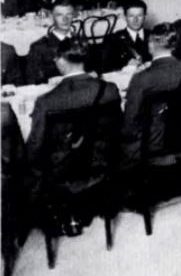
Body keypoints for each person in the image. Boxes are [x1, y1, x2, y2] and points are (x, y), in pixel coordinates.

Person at [24, 40, 122, 226]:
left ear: (61, 62)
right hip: (102, 162)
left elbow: (34, 149)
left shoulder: (46, 101)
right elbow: (118, 128)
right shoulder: (110, 89)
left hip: (62, 170)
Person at [121, 22, 181, 171]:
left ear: (151, 45)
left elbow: (129, 125)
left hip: (152, 146)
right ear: (175, 45)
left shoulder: (142, 78)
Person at [25, 1, 76, 84]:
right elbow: (32, 81)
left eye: (69, 14)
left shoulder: (80, 42)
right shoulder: (39, 47)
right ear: (52, 18)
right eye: (59, 15)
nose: (65, 19)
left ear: (73, 16)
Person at [104, 0, 151, 71]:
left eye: (139, 15)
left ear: (145, 16)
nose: (135, 20)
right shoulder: (113, 39)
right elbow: (105, 67)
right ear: (125, 17)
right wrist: (125, 67)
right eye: (131, 16)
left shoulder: (153, 36)